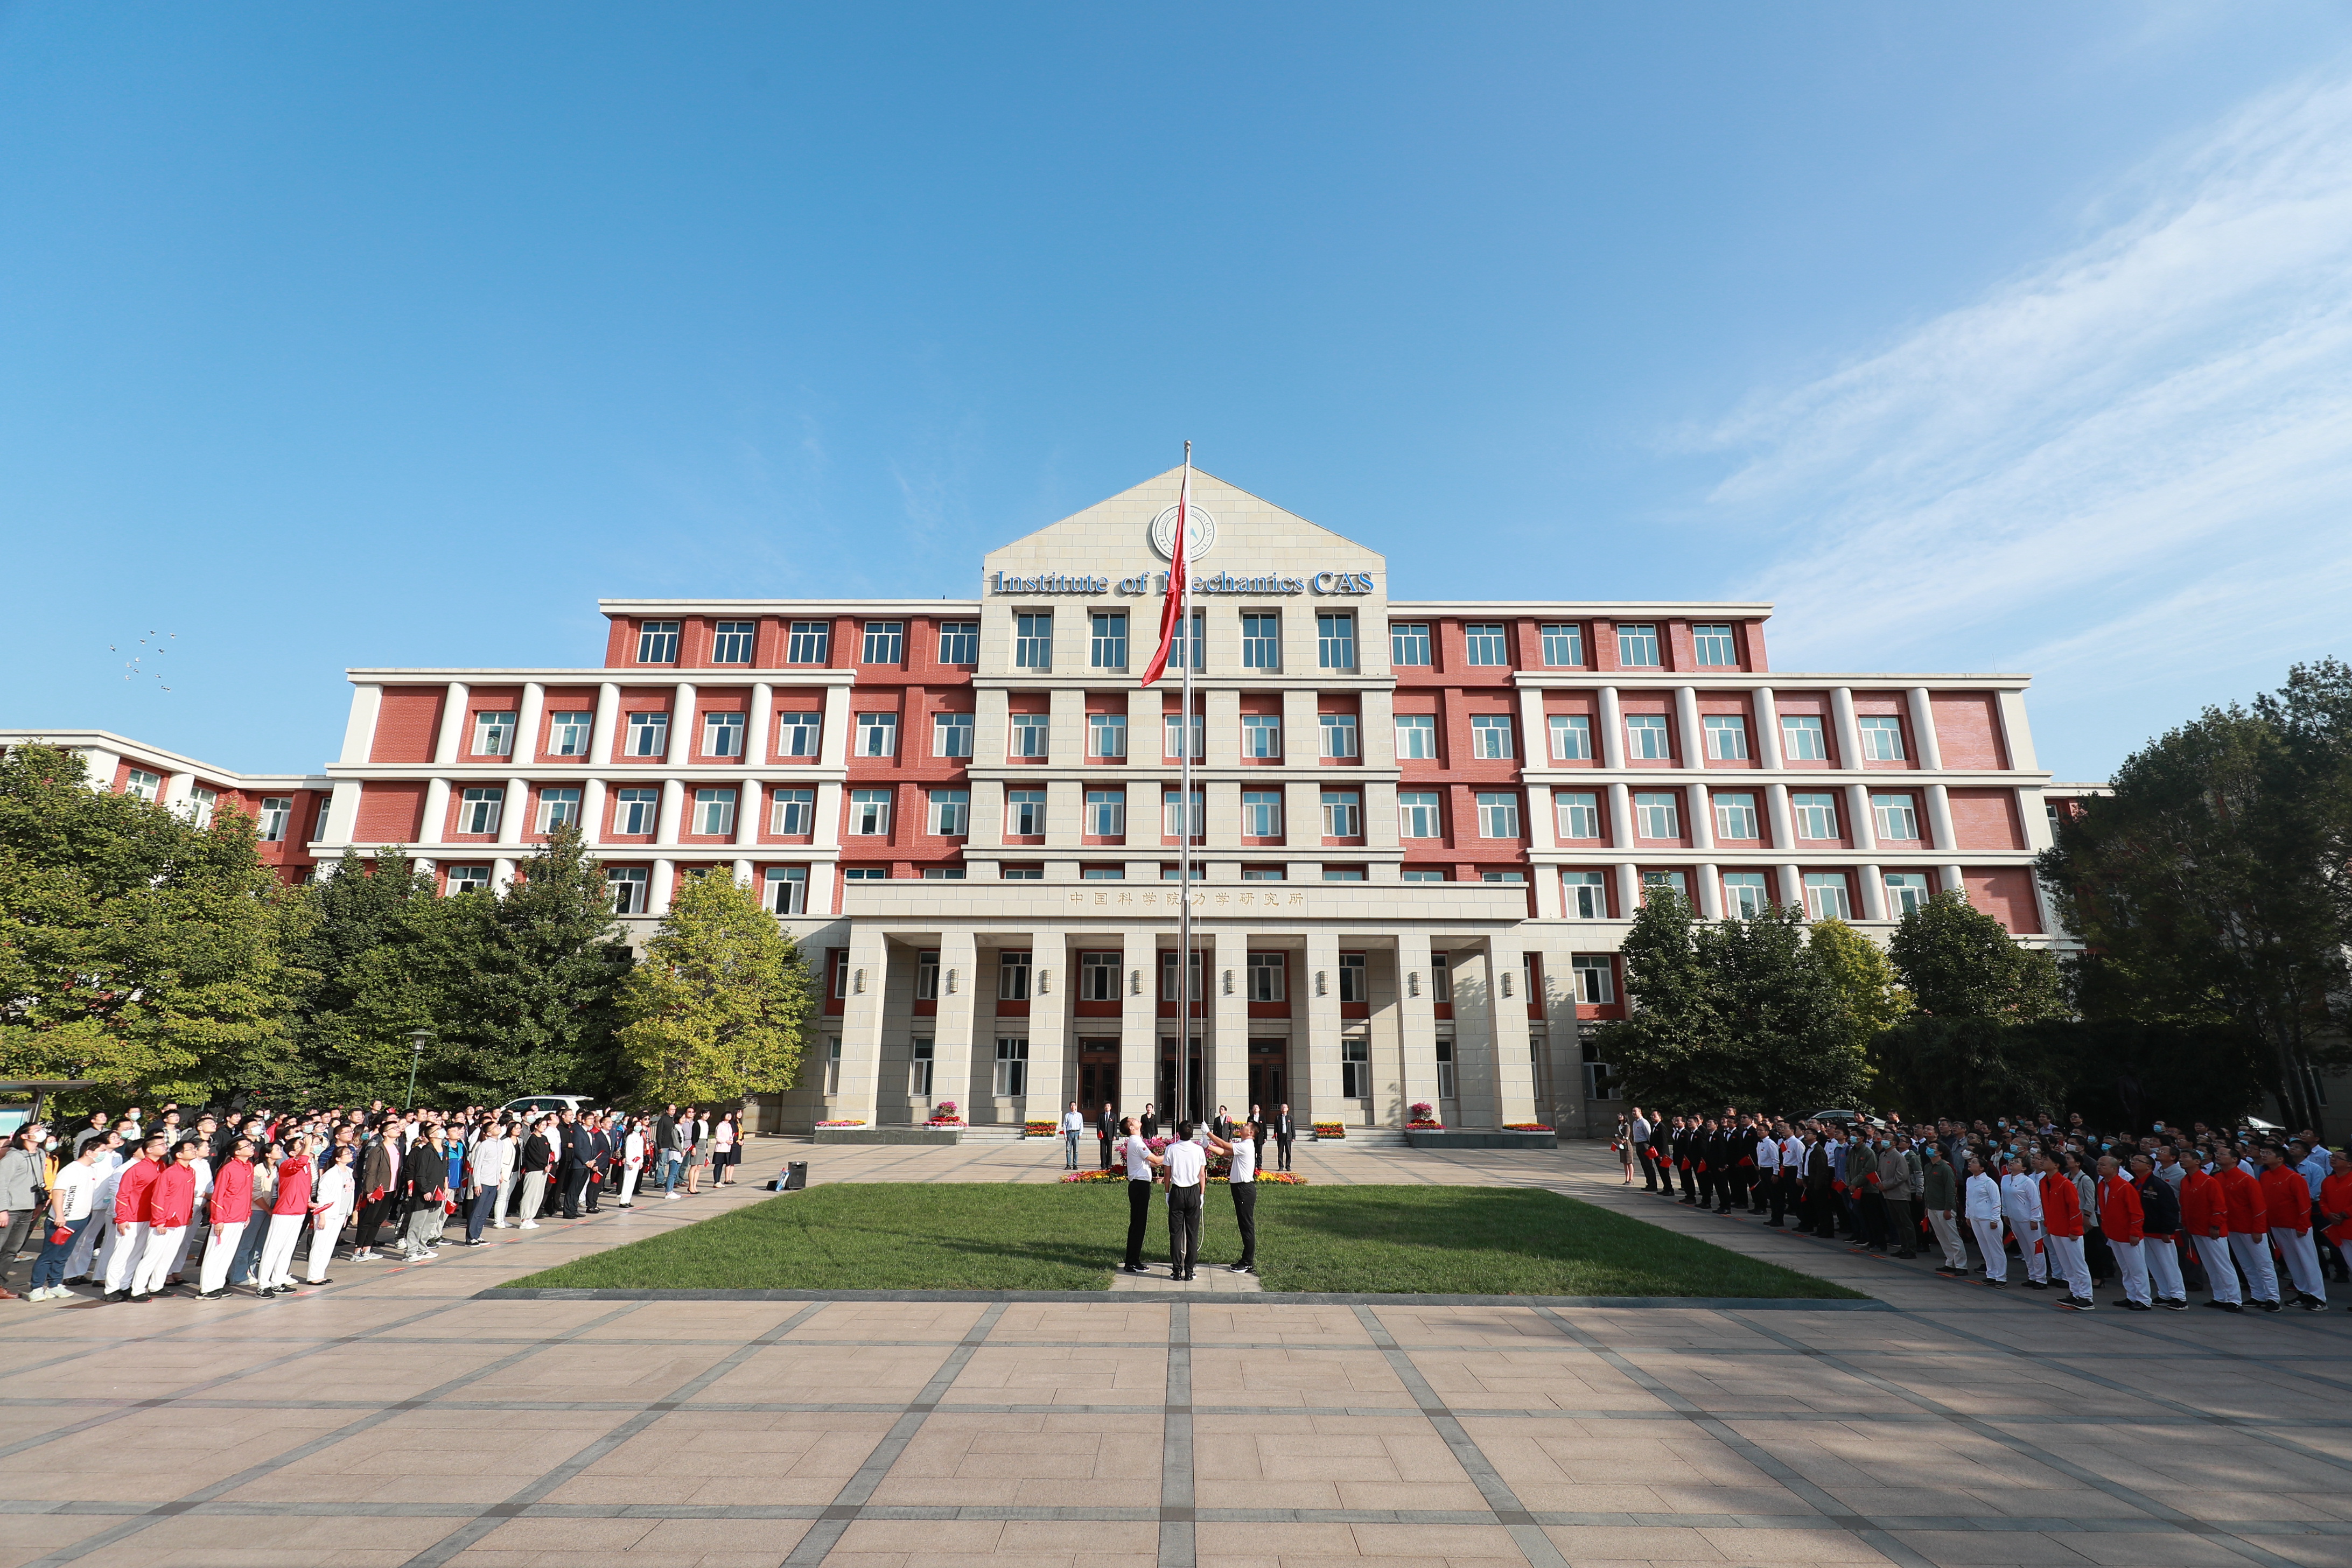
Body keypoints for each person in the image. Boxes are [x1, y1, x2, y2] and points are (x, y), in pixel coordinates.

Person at [27, 1137, 107, 1300]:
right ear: (89, 1152)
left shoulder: (91, 1170)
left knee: (64, 1255)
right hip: (63, 1221)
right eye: (101, 1151)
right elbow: (58, 1193)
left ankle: (55, 1284)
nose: (104, 1154)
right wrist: (60, 1215)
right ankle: (36, 1287)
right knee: (50, 1255)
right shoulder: (71, 1170)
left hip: (81, 1219)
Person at [2257, 1144, 2327, 1310]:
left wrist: (2303, 1224)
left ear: (2280, 1159)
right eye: (2263, 1152)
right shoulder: (2265, 1176)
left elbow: (2304, 1203)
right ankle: (2303, 1292)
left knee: (2308, 1261)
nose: (2264, 1155)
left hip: (2296, 1226)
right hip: (2277, 1225)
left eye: (2268, 1153)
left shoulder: (2293, 1177)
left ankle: (2318, 1297)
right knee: (2292, 1261)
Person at [133, 1137, 201, 1301]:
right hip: (165, 1220)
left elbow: (189, 1196)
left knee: (169, 1255)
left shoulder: (191, 1172)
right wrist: (159, 1220)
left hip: (181, 1220)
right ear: (179, 1154)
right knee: (153, 1255)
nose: (194, 1151)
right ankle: (138, 1289)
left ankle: (157, 1285)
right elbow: (158, 1197)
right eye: (190, 1149)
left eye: (194, 1148)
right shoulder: (169, 1173)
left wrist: (189, 1215)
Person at [101, 1133, 167, 1302]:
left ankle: (125, 1285)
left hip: (148, 1217)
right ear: (149, 1150)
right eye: (161, 1144)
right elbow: (122, 1195)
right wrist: (121, 1218)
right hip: (131, 1217)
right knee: (122, 1253)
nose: (165, 1147)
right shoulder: (136, 1169)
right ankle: (111, 1289)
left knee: (136, 1254)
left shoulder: (161, 1167)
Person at [2215, 1152, 2281, 1311]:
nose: (2219, 1156)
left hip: (2250, 1229)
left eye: (2223, 1154)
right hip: (2232, 1228)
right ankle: (2258, 1295)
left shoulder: (2247, 1180)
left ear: (2234, 1159)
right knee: (2246, 1264)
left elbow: (2259, 1207)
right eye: (2218, 1153)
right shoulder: (2218, 1178)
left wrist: (2258, 1229)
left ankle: (2273, 1298)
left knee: (2264, 1264)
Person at [257, 1136, 316, 1296]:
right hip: (285, 1211)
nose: (306, 1146)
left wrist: (308, 1202)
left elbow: (306, 1187)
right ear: (292, 1153)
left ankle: (278, 1281)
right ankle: (263, 1285)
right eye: (301, 1145)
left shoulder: (307, 1166)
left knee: (288, 1249)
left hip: (299, 1211)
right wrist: (307, 1145)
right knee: (273, 1248)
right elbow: (300, 1162)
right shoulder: (288, 1164)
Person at [199, 1137, 256, 1299]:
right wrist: (218, 1219)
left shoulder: (249, 1167)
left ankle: (217, 1285)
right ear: (237, 1152)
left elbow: (247, 1193)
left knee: (228, 1253)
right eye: (247, 1146)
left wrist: (247, 1213)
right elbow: (219, 1195)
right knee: (216, 1252)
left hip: (240, 1217)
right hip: (225, 1217)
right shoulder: (229, 1169)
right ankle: (206, 1288)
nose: (251, 1147)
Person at [2036, 1150, 2094, 1310]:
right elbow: (2047, 1206)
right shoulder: (2044, 1182)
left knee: (2078, 1265)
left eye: (2045, 1159)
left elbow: (2074, 1208)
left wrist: (2075, 1230)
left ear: (2056, 1165)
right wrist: (2049, 1225)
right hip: (2055, 1229)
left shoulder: (2065, 1183)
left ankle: (2087, 1297)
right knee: (2066, 1265)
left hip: (2070, 1231)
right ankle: (2075, 1293)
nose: (2042, 1161)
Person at [1203, 1118, 1258, 1273]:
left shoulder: (1247, 1145)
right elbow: (1224, 1152)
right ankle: (1246, 1259)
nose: (1243, 1126)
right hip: (1240, 1189)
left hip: (1244, 1189)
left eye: (1246, 1126)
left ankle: (1247, 1262)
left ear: (1251, 1132)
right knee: (1244, 1225)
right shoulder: (1243, 1145)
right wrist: (1208, 1146)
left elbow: (1224, 1145)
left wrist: (1208, 1133)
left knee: (1247, 1226)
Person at [2096, 1153, 2150, 1311]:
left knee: (2137, 1268)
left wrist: (2135, 1232)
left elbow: (2136, 1213)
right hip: (2114, 1233)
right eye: (2098, 1164)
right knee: (2125, 1268)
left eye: (2103, 1165)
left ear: (2114, 1169)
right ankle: (2131, 1296)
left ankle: (2144, 1299)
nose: (2099, 1167)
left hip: (2128, 1235)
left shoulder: (2125, 1187)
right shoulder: (2103, 1185)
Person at [1157, 1118, 1207, 1281]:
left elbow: (1167, 1174)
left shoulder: (1171, 1149)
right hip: (1193, 1191)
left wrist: (1167, 1192)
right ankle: (1189, 1270)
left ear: (1178, 1133)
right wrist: (1202, 1194)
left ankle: (1177, 1270)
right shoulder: (1198, 1150)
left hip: (1177, 1191)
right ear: (1192, 1133)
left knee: (1176, 1233)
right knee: (1192, 1233)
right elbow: (1202, 1175)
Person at [1998, 1154, 2048, 1289]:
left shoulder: (2027, 1182)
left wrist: (2035, 1219)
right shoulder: (2005, 1179)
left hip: (2028, 1219)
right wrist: (2005, 1214)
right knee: (2025, 1248)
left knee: (2035, 1248)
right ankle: (2032, 1276)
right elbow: (2004, 1198)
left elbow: (2035, 1201)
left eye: (2017, 1162)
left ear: (2024, 1168)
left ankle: (2041, 1279)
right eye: (2012, 1161)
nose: (2012, 1163)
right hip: (2014, 1218)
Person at [309, 1144, 354, 1283]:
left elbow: (349, 1195)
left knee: (329, 1245)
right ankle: (313, 1276)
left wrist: (347, 1214)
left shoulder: (349, 1172)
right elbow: (322, 1197)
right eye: (347, 1153)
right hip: (328, 1214)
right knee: (320, 1244)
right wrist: (322, 1216)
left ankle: (320, 1274)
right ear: (338, 1158)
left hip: (340, 1214)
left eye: (350, 1152)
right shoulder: (330, 1174)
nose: (350, 1155)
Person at [1922, 1144, 1969, 1276]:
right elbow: (1927, 1187)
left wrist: (1949, 1208)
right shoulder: (1928, 1167)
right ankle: (1950, 1262)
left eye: (1933, 1147)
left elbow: (1950, 1190)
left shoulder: (1946, 1168)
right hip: (1932, 1206)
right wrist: (1927, 1206)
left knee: (1953, 1237)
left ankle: (1961, 1265)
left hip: (1944, 1207)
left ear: (1940, 1152)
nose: (1929, 1149)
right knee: (1941, 1236)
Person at [1117, 1117, 1153, 1275]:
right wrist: (1174, 1154)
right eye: (1133, 1120)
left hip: (1139, 1185)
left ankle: (1132, 1260)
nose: (1137, 1120)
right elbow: (1155, 1160)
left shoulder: (1137, 1141)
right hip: (1140, 1186)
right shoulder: (1137, 1143)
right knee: (1138, 1225)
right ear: (1131, 1128)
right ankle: (1132, 1262)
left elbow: (1152, 1161)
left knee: (1138, 1224)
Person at [466, 1123, 513, 1242]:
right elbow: (477, 1165)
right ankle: (470, 1237)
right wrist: (477, 1183)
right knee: (478, 1211)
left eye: (498, 1126)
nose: (498, 1128)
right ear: (488, 1133)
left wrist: (499, 1177)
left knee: (485, 1211)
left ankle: (477, 1235)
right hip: (483, 1182)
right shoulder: (484, 1145)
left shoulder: (500, 1143)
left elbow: (498, 1163)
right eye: (494, 1128)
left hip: (494, 1182)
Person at [516, 1117, 554, 1224]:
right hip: (534, 1169)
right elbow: (534, 1155)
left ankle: (531, 1217)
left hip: (544, 1170)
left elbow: (549, 1153)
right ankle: (524, 1218)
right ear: (536, 1126)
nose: (544, 1127)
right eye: (543, 1125)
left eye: (546, 1125)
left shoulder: (544, 1138)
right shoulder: (532, 1139)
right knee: (530, 1194)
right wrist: (544, 1165)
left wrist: (549, 1164)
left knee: (538, 1194)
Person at [617, 1118, 646, 1207]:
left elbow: (641, 1150)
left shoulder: (640, 1137)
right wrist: (629, 1162)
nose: (639, 1127)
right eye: (637, 1125)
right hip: (631, 1162)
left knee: (632, 1182)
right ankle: (623, 1201)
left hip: (637, 1161)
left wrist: (641, 1161)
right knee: (628, 1181)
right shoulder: (630, 1137)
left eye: (640, 1125)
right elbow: (628, 1150)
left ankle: (628, 1200)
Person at [1061, 1102, 1086, 1171]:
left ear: (1076, 1107)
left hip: (1076, 1133)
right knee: (1068, 1150)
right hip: (1069, 1133)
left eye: (1074, 1105)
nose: (1073, 1107)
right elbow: (1065, 1126)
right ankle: (1068, 1164)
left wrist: (1080, 1134)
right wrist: (1065, 1135)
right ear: (1070, 1107)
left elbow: (1081, 1125)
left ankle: (1075, 1164)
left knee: (1076, 1150)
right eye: (1071, 1106)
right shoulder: (1067, 1115)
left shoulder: (1079, 1115)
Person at [1271, 1103, 1295, 1172]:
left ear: (1288, 1109)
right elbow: (1275, 1127)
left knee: (1288, 1152)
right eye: (1282, 1107)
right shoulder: (1278, 1117)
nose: (1284, 1108)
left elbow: (1293, 1127)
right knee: (1280, 1152)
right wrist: (1275, 1136)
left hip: (1288, 1137)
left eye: (1285, 1107)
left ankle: (1288, 1166)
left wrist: (1294, 1137)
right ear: (1281, 1109)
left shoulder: (1291, 1117)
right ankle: (1281, 1166)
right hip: (1281, 1137)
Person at [1097, 1102, 1118, 1171]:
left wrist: (1115, 1135)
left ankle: (1109, 1165)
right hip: (1103, 1135)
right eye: (1106, 1106)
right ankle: (1103, 1165)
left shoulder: (1114, 1115)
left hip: (1110, 1135)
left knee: (1109, 1151)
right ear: (1104, 1107)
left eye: (1108, 1106)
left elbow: (1115, 1127)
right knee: (1103, 1151)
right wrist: (1099, 1135)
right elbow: (1098, 1126)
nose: (1107, 1107)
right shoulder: (1101, 1115)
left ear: (1111, 1107)